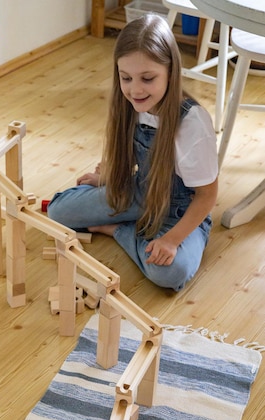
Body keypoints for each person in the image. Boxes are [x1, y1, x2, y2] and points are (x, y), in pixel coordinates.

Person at [47, 14, 218, 292]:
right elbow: (130, 159)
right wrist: (109, 179)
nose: (135, 89)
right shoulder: (131, 104)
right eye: (126, 78)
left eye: (148, 78)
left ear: (171, 73)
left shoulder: (192, 123)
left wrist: (172, 240)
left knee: (170, 273)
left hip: (180, 212)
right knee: (57, 211)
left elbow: (207, 196)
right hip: (139, 195)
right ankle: (131, 223)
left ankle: (116, 230)